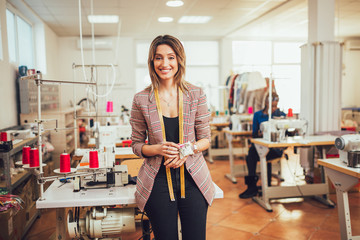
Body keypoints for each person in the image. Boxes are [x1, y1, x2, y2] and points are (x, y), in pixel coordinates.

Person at [130, 35, 215, 240]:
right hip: (157, 180)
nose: (165, 63)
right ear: (152, 62)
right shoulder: (141, 99)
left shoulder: (196, 94)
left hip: (193, 178)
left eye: (171, 57)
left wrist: (186, 150)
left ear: (179, 60)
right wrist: (158, 149)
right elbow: (136, 144)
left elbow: (205, 138)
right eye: (158, 58)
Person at [239, 92, 286, 199]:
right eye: (272, 105)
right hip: (261, 147)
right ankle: (254, 186)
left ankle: (253, 187)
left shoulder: (281, 115)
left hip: (275, 150)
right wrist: (262, 132)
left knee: (252, 154)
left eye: (276, 105)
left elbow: (286, 132)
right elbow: (254, 134)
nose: (274, 108)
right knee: (252, 153)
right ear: (266, 102)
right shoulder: (257, 115)